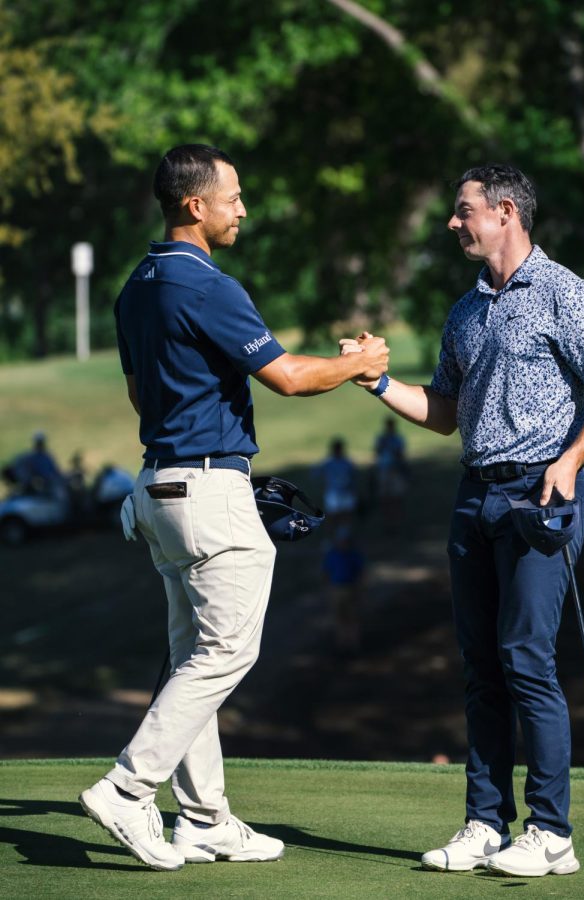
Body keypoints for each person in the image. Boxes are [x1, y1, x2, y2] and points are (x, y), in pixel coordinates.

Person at [78, 144, 389, 872]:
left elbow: (136, 395)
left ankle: (205, 818)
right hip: (208, 490)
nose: (242, 209)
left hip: (157, 488)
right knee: (227, 653)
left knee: (195, 656)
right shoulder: (206, 284)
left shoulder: (136, 286)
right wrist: (360, 365)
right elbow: (286, 377)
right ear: (195, 206)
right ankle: (128, 789)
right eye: (234, 197)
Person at [342, 164, 584, 878]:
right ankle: (484, 822)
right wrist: (376, 381)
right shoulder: (465, 310)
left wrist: (568, 464)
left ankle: (551, 833)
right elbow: (443, 413)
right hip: (474, 497)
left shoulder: (568, 293)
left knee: (525, 658)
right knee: (480, 668)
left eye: (462, 210)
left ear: (504, 212)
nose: (452, 222)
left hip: (542, 498)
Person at [322, 525, 366, 653]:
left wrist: (361, 589)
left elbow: (361, 573)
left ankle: (354, 643)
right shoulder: (332, 555)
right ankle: (341, 643)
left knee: (352, 617)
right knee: (338, 617)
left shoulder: (353, 555)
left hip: (350, 588)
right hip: (337, 589)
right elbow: (325, 573)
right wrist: (327, 589)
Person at [313, 437, 358, 530]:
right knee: (332, 516)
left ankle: (344, 535)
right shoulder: (328, 462)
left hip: (346, 492)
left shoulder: (347, 462)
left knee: (346, 515)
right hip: (333, 492)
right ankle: (333, 536)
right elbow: (316, 473)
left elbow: (353, 477)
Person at [372, 417, 408, 522]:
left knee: (397, 497)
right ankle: (388, 520)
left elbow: (401, 454)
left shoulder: (398, 439)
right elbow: (377, 452)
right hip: (384, 470)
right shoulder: (382, 439)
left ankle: (397, 519)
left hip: (396, 470)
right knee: (385, 497)